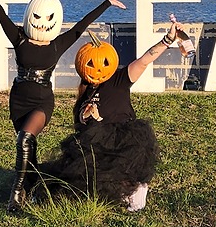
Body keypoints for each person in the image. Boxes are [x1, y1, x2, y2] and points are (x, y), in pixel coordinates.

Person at [0, 0, 125, 210]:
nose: (42, 23)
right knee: (28, 151)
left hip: (42, 102)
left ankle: (16, 195)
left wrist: (106, 3)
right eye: (37, 18)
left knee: (25, 139)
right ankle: (36, 190)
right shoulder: (19, 38)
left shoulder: (57, 44)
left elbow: (80, 27)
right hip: (19, 101)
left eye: (48, 19)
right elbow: (1, 16)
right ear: (29, 16)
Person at [35, 16, 185, 212]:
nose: (96, 69)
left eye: (102, 63)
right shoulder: (85, 92)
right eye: (90, 64)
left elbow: (145, 60)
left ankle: (134, 188)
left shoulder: (119, 80)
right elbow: (81, 127)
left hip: (122, 136)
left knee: (122, 164)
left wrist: (167, 40)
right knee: (78, 178)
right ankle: (119, 190)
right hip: (97, 143)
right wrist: (89, 116)